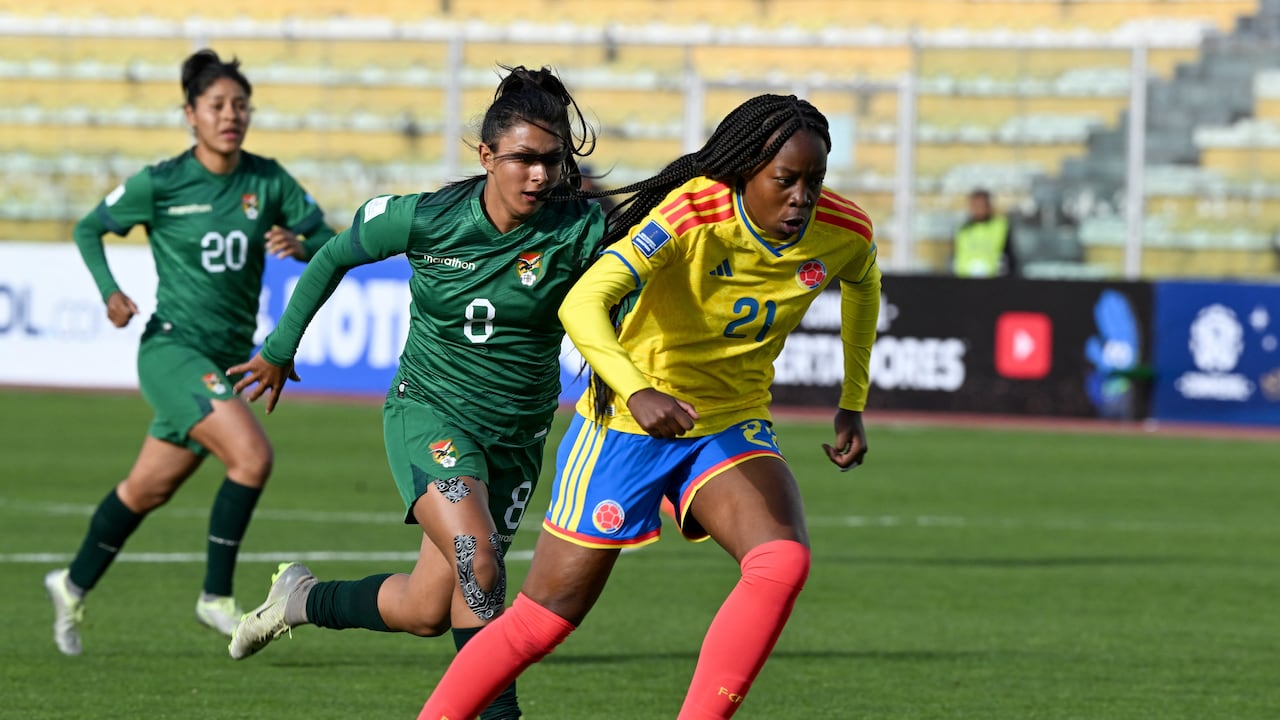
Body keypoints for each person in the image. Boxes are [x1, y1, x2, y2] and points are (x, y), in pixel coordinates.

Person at [419, 93, 881, 719]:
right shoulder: (689, 214)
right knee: (543, 622)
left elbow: (863, 283)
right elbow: (580, 304)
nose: (802, 197)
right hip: (626, 428)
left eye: (815, 180)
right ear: (746, 170)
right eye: (786, 180)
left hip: (726, 423)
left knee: (781, 560)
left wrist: (852, 401)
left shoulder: (844, 231)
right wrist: (637, 388)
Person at [225, 66, 604, 720]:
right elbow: (333, 255)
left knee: (428, 609)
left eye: (553, 161)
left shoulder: (581, 230)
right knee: (477, 561)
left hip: (517, 437)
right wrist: (281, 348)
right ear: (487, 157)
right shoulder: (427, 218)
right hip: (431, 413)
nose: (540, 175)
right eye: (524, 160)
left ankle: (302, 599)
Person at [44, 49, 336, 656]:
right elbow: (87, 227)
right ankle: (215, 597)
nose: (231, 116)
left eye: (240, 105)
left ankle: (69, 584)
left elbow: (330, 240)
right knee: (252, 458)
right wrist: (110, 292)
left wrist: (302, 241)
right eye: (217, 106)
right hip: (172, 350)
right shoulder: (163, 182)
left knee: (145, 491)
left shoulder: (268, 181)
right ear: (191, 115)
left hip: (224, 357)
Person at [951, 188, 1017, 278]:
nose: (978, 209)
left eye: (981, 205)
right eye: (975, 205)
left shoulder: (1001, 226)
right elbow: (957, 258)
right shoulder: (962, 230)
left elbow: (1009, 258)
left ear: (988, 206)